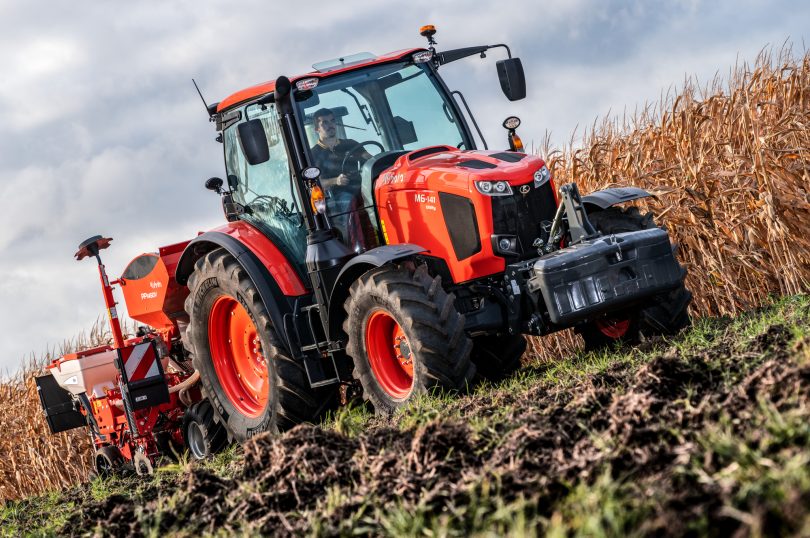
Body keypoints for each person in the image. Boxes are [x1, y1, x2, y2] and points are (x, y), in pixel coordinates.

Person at [309, 108, 371, 190]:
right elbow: (314, 183)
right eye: (325, 123)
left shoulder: (351, 144)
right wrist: (336, 180)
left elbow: (370, 158)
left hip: (363, 186)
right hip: (338, 195)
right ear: (317, 129)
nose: (330, 125)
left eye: (332, 121)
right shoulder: (312, 154)